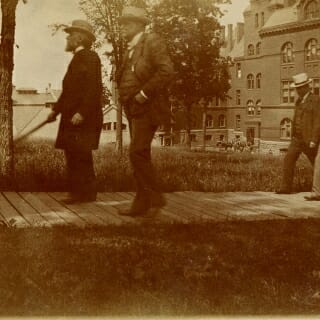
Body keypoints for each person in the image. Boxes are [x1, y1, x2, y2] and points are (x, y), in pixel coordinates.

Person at [116, 6, 174, 217]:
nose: (123, 27)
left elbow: (166, 70)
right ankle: (142, 203)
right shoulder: (130, 48)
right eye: (122, 23)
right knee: (141, 155)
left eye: (128, 23)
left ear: (140, 25)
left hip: (149, 108)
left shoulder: (152, 41)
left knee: (136, 152)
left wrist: (144, 93)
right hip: (133, 109)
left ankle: (155, 195)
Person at [47, 20, 103, 204]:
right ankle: (81, 193)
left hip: (82, 119)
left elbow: (93, 89)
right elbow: (69, 92)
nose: (67, 37)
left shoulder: (90, 57)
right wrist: (55, 112)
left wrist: (82, 113)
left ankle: (84, 194)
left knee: (80, 155)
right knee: (74, 155)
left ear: (79, 38)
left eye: (71, 34)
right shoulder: (78, 58)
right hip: (72, 117)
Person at [276, 72, 320, 195]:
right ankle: (285, 188)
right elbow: (296, 119)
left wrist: (314, 140)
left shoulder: (316, 100)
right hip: (297, 139)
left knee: (316, 164)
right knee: (288, 159)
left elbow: (318, 121)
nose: (298, 91)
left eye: (300, 88)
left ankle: (318, 190)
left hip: (309, 140)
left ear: (307, 87)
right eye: (297, 88)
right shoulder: (298, 102)